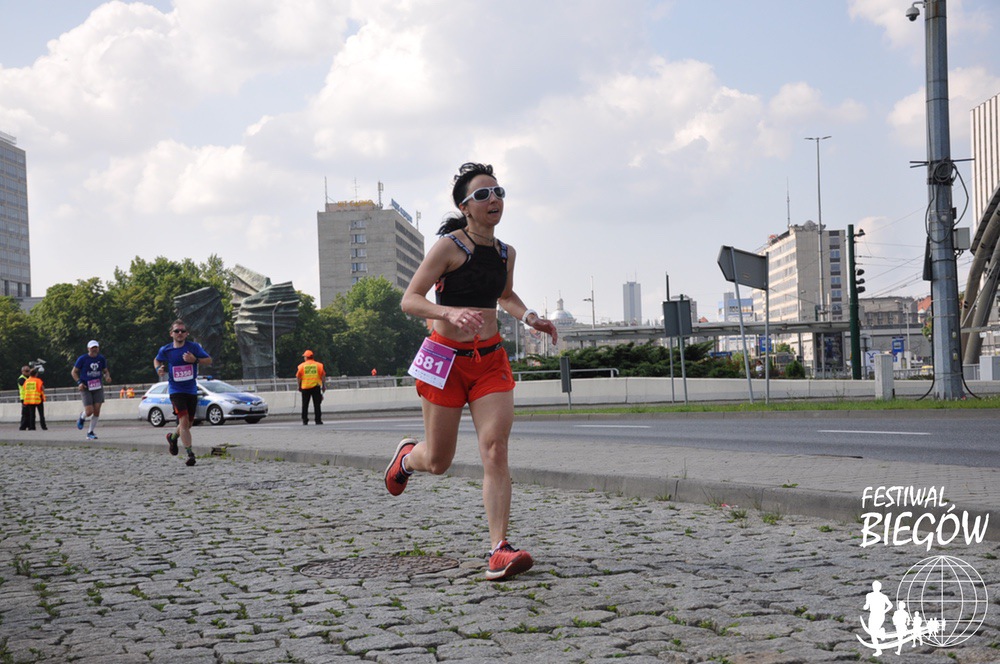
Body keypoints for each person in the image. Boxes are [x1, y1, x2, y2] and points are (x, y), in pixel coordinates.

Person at [384, 162, 558, 581]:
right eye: (482, 194)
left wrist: (530, 317)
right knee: (438, 461)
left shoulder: (505, 253)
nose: (493, 199)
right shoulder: (447, 247)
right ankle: (408, 457)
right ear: (465, 207)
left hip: (489, 361)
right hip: (444, 360)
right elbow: (410, 299)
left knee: (495, 448)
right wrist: (449, 312)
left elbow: (505, 295)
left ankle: (499, 548)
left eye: (498, 192)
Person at [154, 319, 211, 467]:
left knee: (188, 424)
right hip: (176, 390)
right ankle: (190, 454)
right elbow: (157, 360)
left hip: (191, 390)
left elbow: (209, 360)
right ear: (171, 334)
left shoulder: (193, 347)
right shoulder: (166, 350)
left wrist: (195, 360)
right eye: (177, 331)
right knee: (184, 421)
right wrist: (158, 369)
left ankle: (173, 438)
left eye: (182, 331)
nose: (180, 333)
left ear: (187, 333)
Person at [72, 340, 112, 440]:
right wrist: (79, 383)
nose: (94, 349)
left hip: (97, 386)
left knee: (97, 410)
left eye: (96, 347)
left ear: (98, 348)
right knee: (89, 411)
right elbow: (74, 372)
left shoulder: (101, 358)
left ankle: (90, 432)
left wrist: (107, 377)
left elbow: (105, 371)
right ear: (88, 349)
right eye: (92, 348)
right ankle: (82, 417)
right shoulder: (82, 359)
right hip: (85, 387)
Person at [296, 350, 326, 425]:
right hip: (316, 387)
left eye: (304, 357)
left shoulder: (301, 366)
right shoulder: (319, 365)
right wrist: (323, 385)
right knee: (317, 404)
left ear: (306, 357)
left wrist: (299, 386)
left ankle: (305, 420)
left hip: (305, 387)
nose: (304, 358)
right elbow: (323, 376)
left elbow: (298, 377)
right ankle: (318, 420)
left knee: (305, 405)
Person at [17, 365, 31, 431]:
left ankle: (30, 426)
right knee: (25, 413)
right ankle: (22, 427)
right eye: (27, 371)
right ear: (22, 371)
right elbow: (25, 385)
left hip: (30, 398)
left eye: (29, 371)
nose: (28, 372)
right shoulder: (21, 378)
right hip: (24, 398)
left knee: (30, 413)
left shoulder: (29, 378)